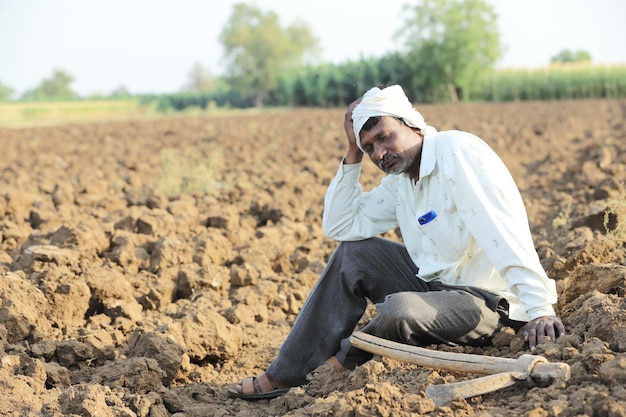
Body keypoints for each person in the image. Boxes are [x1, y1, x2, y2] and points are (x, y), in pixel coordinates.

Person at [228, 84, 565, 400]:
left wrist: (538, 309)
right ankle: (287, 374)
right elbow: (341, 225)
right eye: (370, 147)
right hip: (436, 287)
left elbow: (501, 229)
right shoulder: (401, 180)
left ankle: (346, 361)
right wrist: (352, 154)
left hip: (488, 303)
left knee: (401, 309)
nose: (379, 153)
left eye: (384, 137)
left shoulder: (455, 153)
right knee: (353, 254)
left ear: (413, 124)